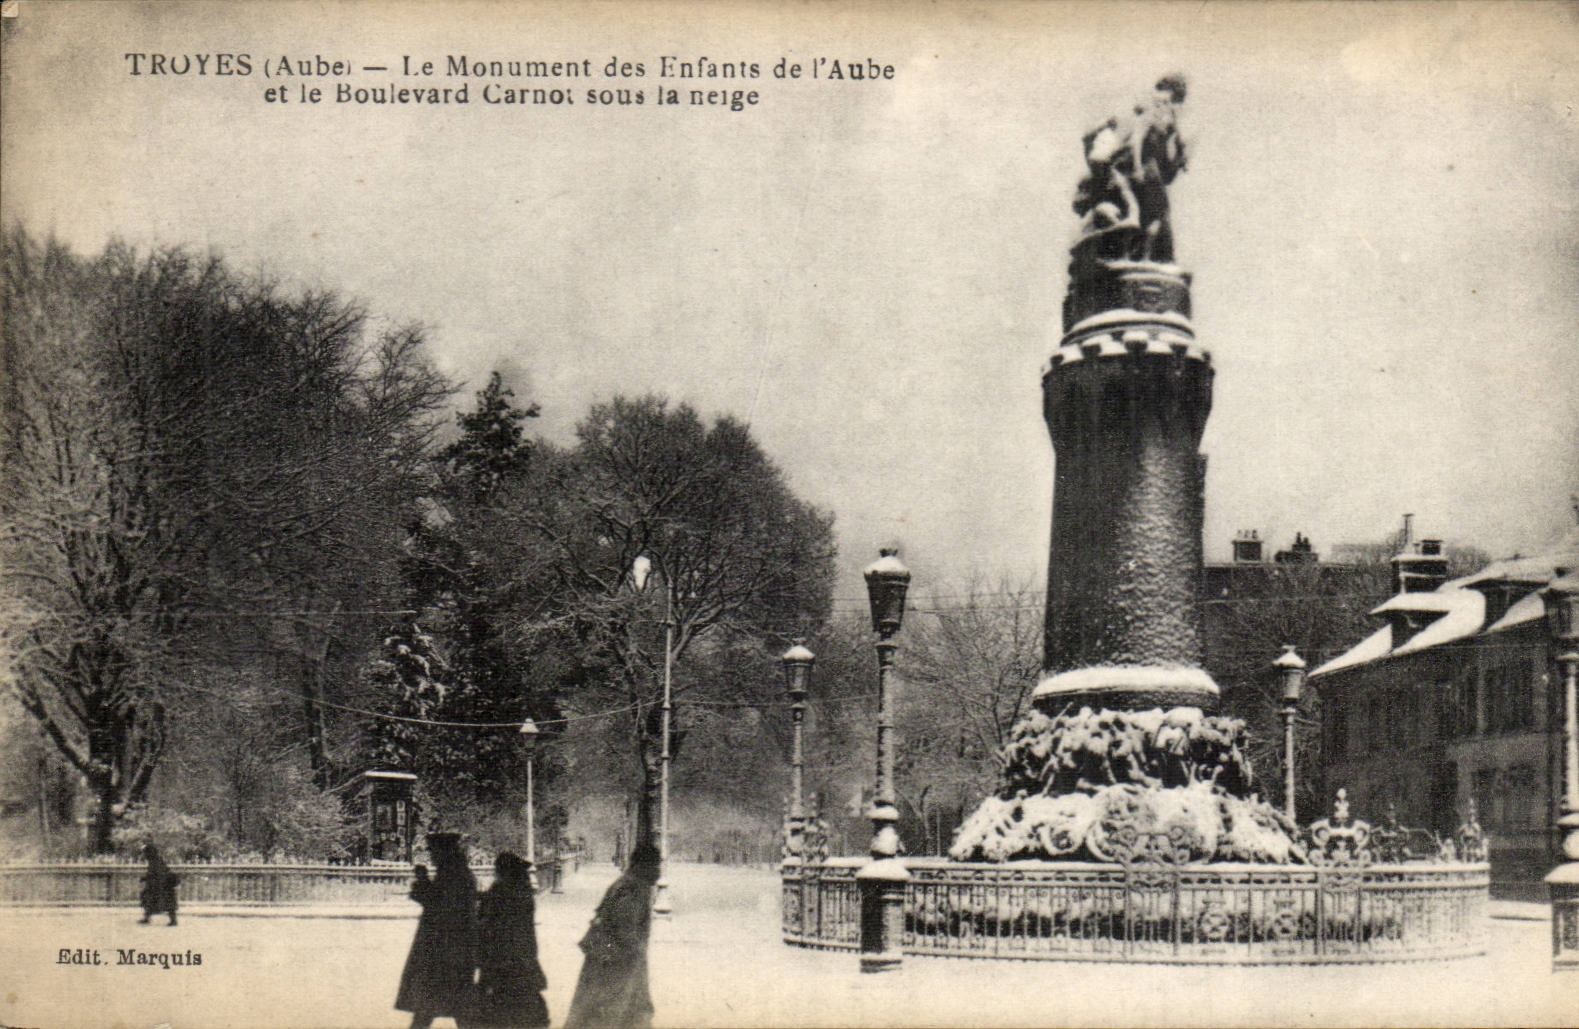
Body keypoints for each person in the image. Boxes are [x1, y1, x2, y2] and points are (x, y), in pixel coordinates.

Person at [564, 842, 660, 1029]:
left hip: (615, 965)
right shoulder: (631, 888)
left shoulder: (631, 885)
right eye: (655, 866)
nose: (658, 872)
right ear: (642, 865)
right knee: (608, 1016)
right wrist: (635, 954)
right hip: (615, 967)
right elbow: (624, 930)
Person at [396, 832, 480, 1029]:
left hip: (445, 950)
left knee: (435, 1004)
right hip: (453, 949)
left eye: (434, 851)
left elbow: (438, 905)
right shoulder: (457, 873)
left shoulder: (452, 875)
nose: (432, 856)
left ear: (445, 851)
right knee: (452, 1005)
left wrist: (422, 881)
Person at [474, 852, 550, 1029]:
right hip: (521, 957)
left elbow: (490, 922)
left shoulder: (501, 890)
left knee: (496, 1005)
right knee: (525, 1003)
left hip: (501, 958)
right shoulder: (522, 891)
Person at [137, 843, 179, 926]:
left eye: (145, 852)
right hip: (159, 886)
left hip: (162, 886)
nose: (144, 855)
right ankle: (147, 917)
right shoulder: (155, 860)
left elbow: (156, 873)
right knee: (151, 901)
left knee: (165, 903)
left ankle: (173, 920)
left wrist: (146, 878)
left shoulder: (155, 861)